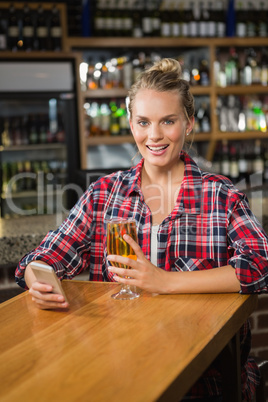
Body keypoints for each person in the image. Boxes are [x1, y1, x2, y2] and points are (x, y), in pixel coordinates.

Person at [15, 58, 268, 401]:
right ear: (132, 126)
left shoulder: (220, 194)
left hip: (204, 374)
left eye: (168, 121)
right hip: (118, 362)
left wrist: (164, 282)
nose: (155, 135)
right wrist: (38, 279)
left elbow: (261, 262)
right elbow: (46, 257)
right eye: (143, 122)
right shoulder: (104, 193)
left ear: (189, 124)